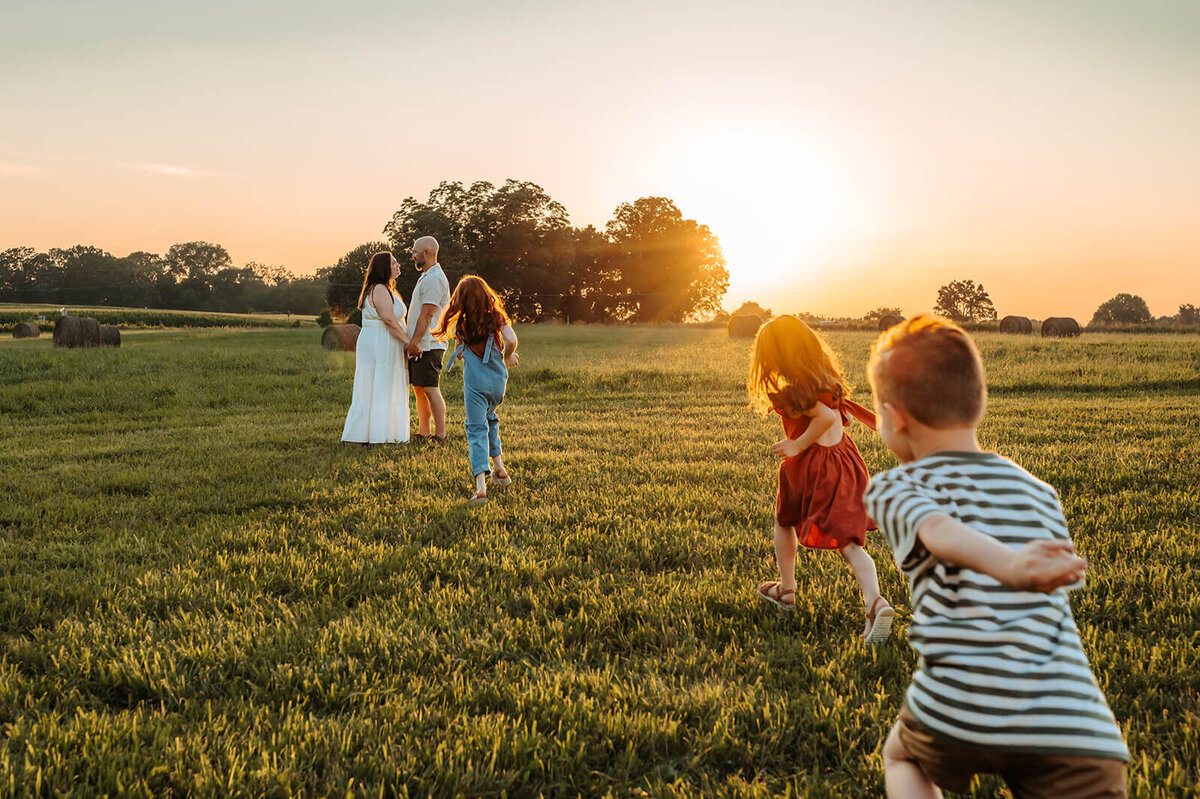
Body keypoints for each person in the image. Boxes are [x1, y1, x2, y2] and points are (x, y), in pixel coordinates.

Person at [864, 315, 1128, 798]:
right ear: (977, 402)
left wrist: (1008, 565)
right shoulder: (1041, 493)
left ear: (895, 416)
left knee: (901, 755)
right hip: (1073, 721)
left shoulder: (894, 486)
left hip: (958, 704)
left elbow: (939, 530)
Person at [748, 315, 893, 642]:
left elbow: (826, 417)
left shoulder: (798, 387)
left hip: (812, 469)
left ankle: (787, 591)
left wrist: (797, 444)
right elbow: (832, 415)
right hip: (845, 464)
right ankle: (875, 602)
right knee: (849, 543)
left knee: (784, 522)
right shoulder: (823, 381)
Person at [433, 275, 519, 502]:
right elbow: (512, 340)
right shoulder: (496, 318)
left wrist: (464, 351)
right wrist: (508, 356)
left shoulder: (461, 324)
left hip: (476, 386)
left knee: (476, 430)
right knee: (490, 419)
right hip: (498, 384)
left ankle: (481, 487)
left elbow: (462, 350)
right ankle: (499, 468)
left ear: (460, 299)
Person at [341, 252, 412, 444]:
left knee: (382, 383)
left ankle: (384, 432)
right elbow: (388, 319)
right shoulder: (379, 288)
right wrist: (408, 342)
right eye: (394, 263)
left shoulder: (388, 288)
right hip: (381, 341)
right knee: (380, 383)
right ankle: (378, 435)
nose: (398, 265)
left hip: (384, 340)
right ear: (384, 267)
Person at [404, 236, 451, 443]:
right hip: (421, 344)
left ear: (427, 253)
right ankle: (424, 431)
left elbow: (427, 315)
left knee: (431, 388)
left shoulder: (434, 279)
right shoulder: (426, 276)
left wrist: (414, 341)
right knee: (419, 388)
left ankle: (440, 435)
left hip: (429, 344)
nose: (413, 255)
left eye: (415, 252)